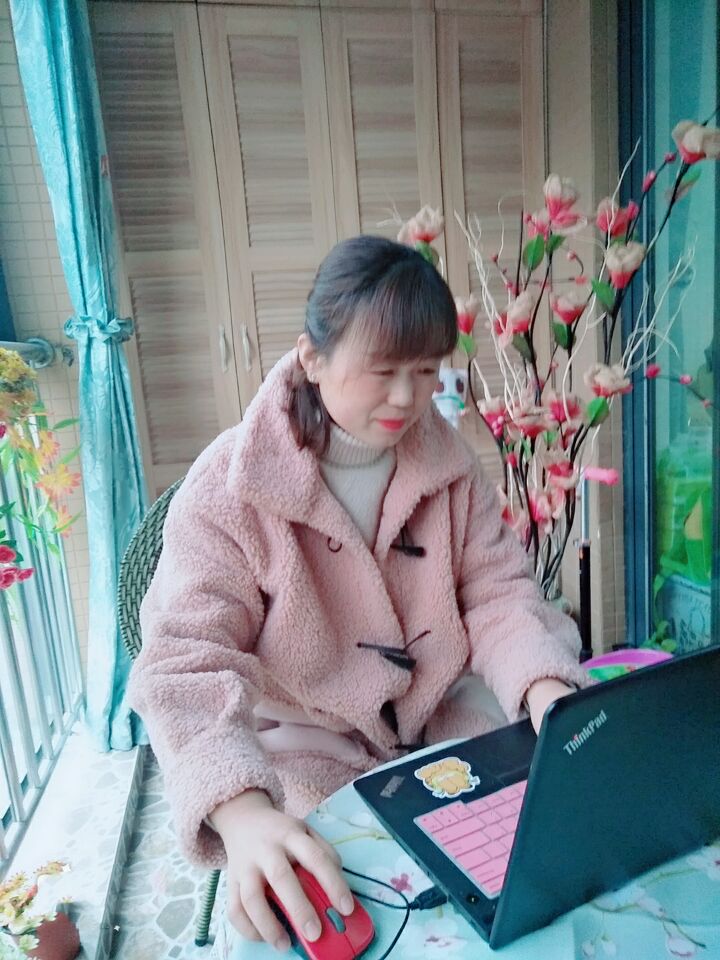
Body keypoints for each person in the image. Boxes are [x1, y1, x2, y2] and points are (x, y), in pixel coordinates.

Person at [128, 235, 588, 954]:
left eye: (426, 370)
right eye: (383, 371)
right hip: (306, 752)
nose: (408, 397)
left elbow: (498, 592)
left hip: (441, 722)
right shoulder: (231, 486)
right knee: (339, 912)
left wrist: (546, 691)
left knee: (541, 864)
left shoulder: (449, 465)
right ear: (311, 357)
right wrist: (240, 812)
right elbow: (187, 660)